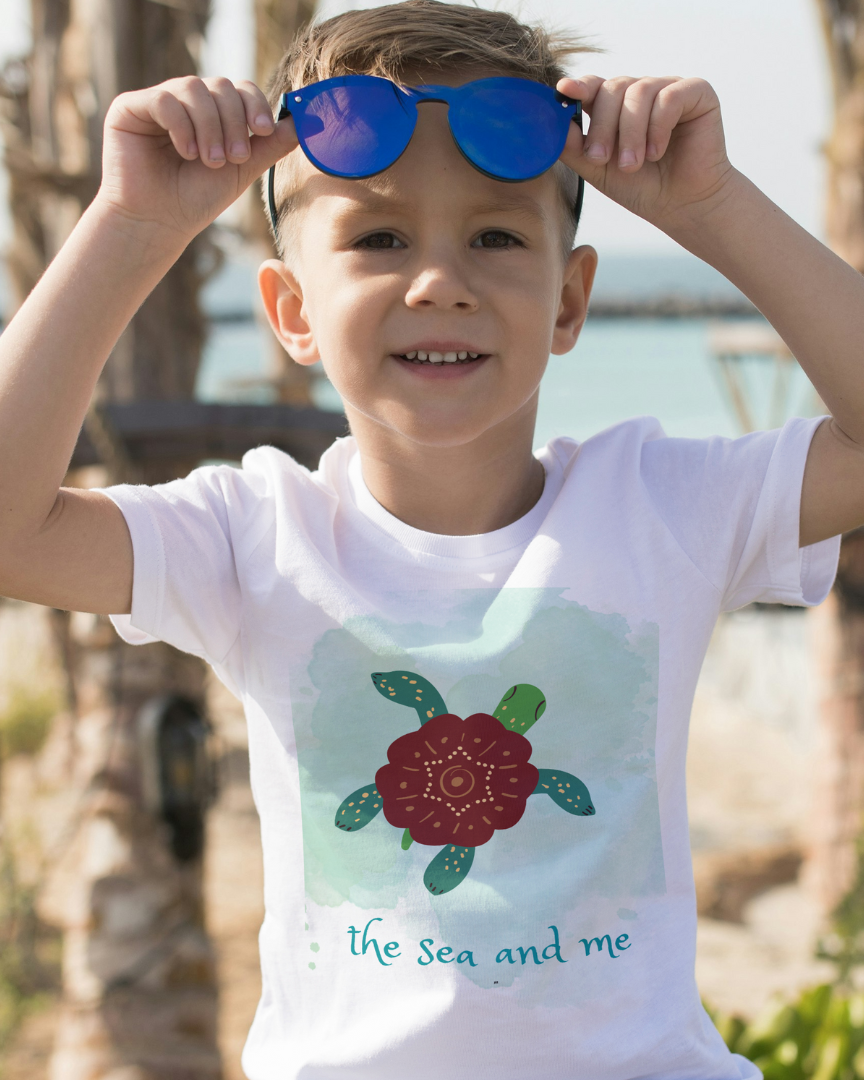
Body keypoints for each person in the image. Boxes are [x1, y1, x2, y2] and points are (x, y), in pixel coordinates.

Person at [0, 0, 862, 1075]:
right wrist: (132, 226)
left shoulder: (660, 508)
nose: (440, 280)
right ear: (291, 310)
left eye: (497, 235)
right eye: (378, 237)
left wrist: (715, 205)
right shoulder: (253, 536)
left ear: (570, 299)